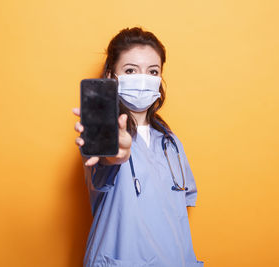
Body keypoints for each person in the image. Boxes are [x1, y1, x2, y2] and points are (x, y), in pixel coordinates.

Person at [73, 27, 203, 267]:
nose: (143, 79)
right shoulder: (100, 130)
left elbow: (176, 213)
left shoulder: (170, 142)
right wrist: (116, 153)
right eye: (131, 70)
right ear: (112, 77)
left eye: (152, 71)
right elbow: (104, 165)